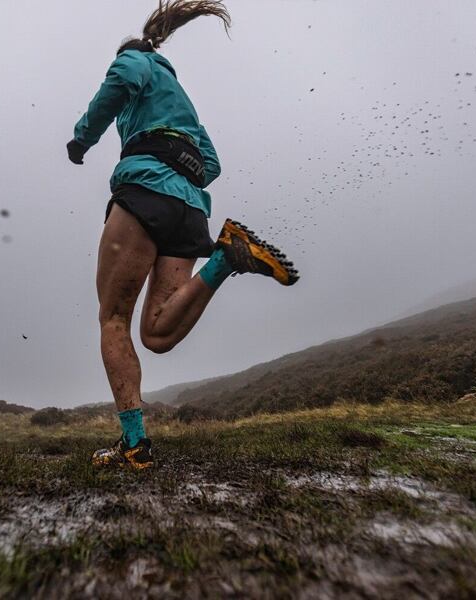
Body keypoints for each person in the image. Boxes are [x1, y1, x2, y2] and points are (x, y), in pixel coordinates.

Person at [66, 0, 299, 470]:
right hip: (189, 207)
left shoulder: (137, 60)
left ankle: (135, 445)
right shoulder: (183, 102)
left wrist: (82, 138)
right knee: (155, 334)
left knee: (113, 319)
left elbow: (121, 82)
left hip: (144, 193)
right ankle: (226, 259)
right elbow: (211, 164)